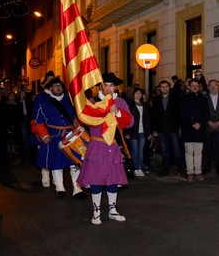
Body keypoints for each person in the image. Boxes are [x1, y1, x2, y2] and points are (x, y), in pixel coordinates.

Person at [77, 72, 134, 225]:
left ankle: (112, 210)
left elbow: (130, 123)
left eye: (111, 85)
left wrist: (118, 112)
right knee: (96, 180)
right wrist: (104, 109)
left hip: (113, 146)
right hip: (97, 145)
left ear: (115, 87)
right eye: (106, 85)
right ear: (99, 87)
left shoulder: (120, 102)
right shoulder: (92, 101)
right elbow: (87, 121)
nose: (108, 88)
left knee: (113, 180)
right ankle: (96, 213)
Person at [32, 72, 86, 199]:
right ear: (50, 88)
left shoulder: (71, 100)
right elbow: (38, 122)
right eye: (55, 86)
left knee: (75, 162)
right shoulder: (43, 103)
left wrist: (78, 124)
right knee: (57, 164)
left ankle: (77, 189)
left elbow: (78, 116)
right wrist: (44, 136)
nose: (58, 87)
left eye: (59, 85)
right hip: (55, 136)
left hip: (72, 134)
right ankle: (60, 189)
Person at [150, 80, 184, 176]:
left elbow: (179, 114)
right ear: (160, 88)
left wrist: (180, 127)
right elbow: (154, 115)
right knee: (165, 150)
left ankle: (180, 168)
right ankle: (166, 169)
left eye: (166, 86)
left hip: (173, 127)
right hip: (161, 128)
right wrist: (154, 129)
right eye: (162, 87)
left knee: (177, 149)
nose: (164, 88)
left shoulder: (176, 98)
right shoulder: (156, 100)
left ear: (169, 87)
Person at [179, 79, 209, 181]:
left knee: (198, 152)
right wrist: (192, 123)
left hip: (199, 129)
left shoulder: (204, 99)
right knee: (188, 152)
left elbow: (206, 114)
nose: (195, 87)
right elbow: (182, 114)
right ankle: (190, 172)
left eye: (196, 85)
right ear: (189, 87)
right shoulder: (184, 99)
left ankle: (198, 172)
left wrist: (199, 123)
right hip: (188, 129)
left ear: (199, 87)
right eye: (193, 85)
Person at [203, 79, 219, 175]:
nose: (213, 86)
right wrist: (208, 122)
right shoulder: (204, 98)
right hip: (208, 127)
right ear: (208, 87)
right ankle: (206, 166)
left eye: (215, 85)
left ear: (218, 87)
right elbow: (202, 113)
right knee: (207, 148)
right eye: (211, 85)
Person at [125, 87, 150, 177]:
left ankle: (140, 168)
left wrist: (149, 132)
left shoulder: (145, 105)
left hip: (143, 131)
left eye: (140, 93)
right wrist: (127, 132)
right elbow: (127, 120)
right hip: (133, 132)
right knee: (135, 150)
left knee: (141, 151)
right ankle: (135, 168)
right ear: (133, 94)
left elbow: (148, 120)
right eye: (136, 93)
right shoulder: (130, 106)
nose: (138, 94)